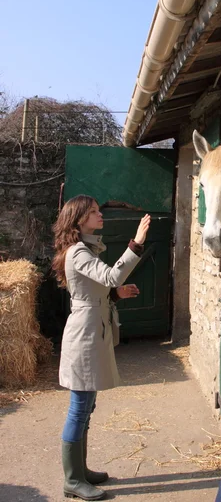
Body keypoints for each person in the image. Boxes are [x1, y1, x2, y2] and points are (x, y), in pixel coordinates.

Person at [52, 194, 151, 501]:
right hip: (84, 336)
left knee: (87, 406)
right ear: (80, 219)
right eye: (94, 212)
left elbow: (97, 289)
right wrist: (136, 242)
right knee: (79, 408)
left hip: (92, 331)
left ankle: (80, 471)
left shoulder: (84, 248)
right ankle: (72, 480)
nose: (100, 215)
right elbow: (109, 276)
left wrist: (117, 295)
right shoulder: (78, 251)